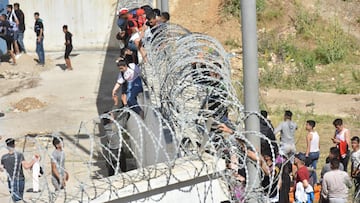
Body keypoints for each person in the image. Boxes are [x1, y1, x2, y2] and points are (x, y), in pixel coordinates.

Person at [305, 120, 320, 185]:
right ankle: (315, 182)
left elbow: (308, 146)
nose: (306, 126)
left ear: (310, 126)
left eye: (307, 125)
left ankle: (309, 181)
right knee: (314, 168)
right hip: (317, 152)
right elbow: (319, 144)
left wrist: (306, 155)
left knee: (308, 169)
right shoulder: (316, 133)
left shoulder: (309, 135)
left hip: (311, 153)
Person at [350, 136, 360, 200]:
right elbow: (352, 163)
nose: (353, 144)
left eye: (354, 143)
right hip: (355, 174)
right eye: (352, 143)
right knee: (356, 187)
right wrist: (351, 173)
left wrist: (357, 171)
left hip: (358, 172)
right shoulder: (352, 153)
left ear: (358, 144)